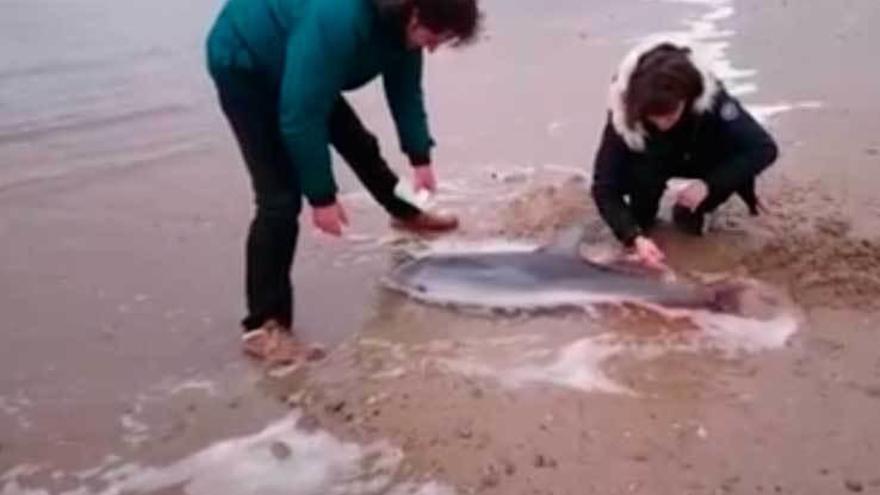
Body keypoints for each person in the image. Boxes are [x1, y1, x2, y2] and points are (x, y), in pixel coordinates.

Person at [205, 0, 482, 362]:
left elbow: (405, 92)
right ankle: (264, 327)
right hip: (246, 62)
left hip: (298, 56)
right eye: (434, 35)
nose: (431, 46)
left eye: (443, 40)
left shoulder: (405, 29)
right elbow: (301, 116)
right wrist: (322, 196)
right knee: (279, 199)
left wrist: (420, 157)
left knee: (360, 144)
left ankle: (406, 212)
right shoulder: (339, 19)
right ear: (414, 13)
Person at [591, 39, 778, 270]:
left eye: (669, 116)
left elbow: (763, 148)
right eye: (654, 118)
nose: (662, 125)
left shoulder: (711, 98)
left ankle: (692, 217)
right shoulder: (625, 113)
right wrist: (633, 236)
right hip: (651, 157)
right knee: (640, 218)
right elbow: (603, 187)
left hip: (699, 153)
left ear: (687, 98)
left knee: (687, 218)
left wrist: (715, 185)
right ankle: (643, 230)